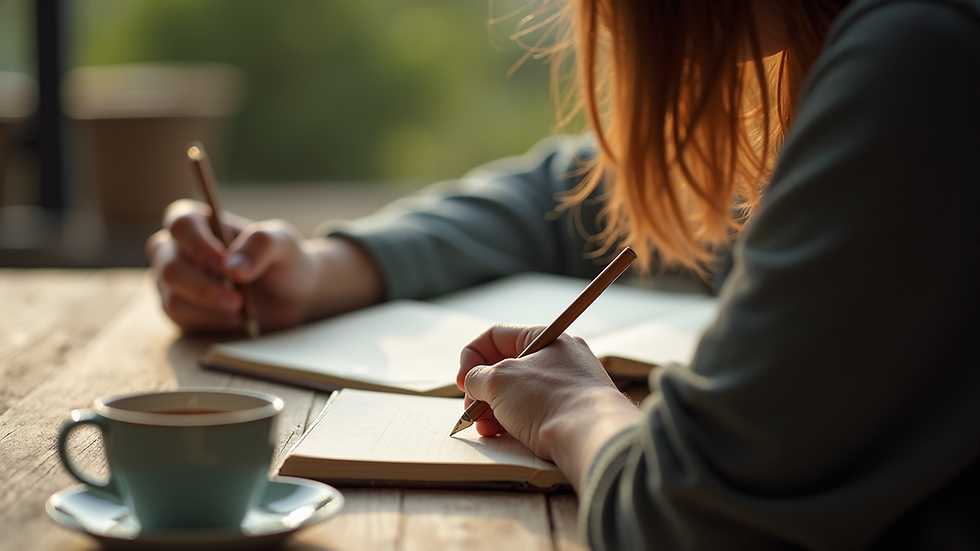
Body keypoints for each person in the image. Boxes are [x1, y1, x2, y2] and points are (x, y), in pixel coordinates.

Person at [147, 0, 979, 548]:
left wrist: (575, 406)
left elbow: (684, 518)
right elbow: (575, 195)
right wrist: (328, 268)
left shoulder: (922, 54)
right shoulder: (870, 53)